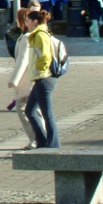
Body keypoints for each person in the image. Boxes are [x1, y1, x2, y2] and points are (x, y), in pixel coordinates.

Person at [23, 10, 61, 149]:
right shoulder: (39, 33)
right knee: (30, 111)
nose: (26, 24)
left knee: (47, 115)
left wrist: (38, 70)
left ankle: (53, 145)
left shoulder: (40, 34)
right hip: (42, 78)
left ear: (35, 22)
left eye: (28, 21)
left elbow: (45, 56)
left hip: (44, 78)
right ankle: (43, 141)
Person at [6, 7, 39, 150]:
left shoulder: (26, 38)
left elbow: (23, 60)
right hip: (31, 78)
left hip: (26, 79)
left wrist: (14, 80)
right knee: (31, 108)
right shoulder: (28, 36)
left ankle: (36, 138)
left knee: (24, 107)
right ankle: (38, 138)